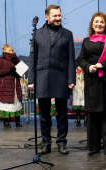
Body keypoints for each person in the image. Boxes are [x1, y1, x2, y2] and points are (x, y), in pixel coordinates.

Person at [27, 5, 76, 155]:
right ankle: (46, 143)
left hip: (61, 76)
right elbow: (33, 59)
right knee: (44, 114)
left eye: (60, 15)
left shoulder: (67, 34)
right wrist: (31, 79)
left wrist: (71, 78)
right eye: (55, 16)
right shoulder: (37, 34)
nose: (58, 18)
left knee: (62, 113)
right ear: (47, 17)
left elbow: (71, 59)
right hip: (42, 76)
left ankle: (61, 142)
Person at [77, 12, 106, 156]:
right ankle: (94, 147)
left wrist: (102, 64)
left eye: (101, 22)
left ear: (105, 24)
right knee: (93, 115)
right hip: (92, 82)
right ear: (92, 24)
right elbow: (81, 59)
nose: (99, 24)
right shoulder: (86, 41)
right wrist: (87, 67)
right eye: (96, 22)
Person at [0, 44, 23, 128]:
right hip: (6, 85)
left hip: (15, 84)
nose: (12, 51)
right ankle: (6, 122)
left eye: (12, 50)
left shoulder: (15, 59)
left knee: (17, 101)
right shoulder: (1, 60)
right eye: (10, 50)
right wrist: (9, 70)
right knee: (6, 103)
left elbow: (22, 70)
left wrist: (17, 64)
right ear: (5, 51)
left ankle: (18, 122)